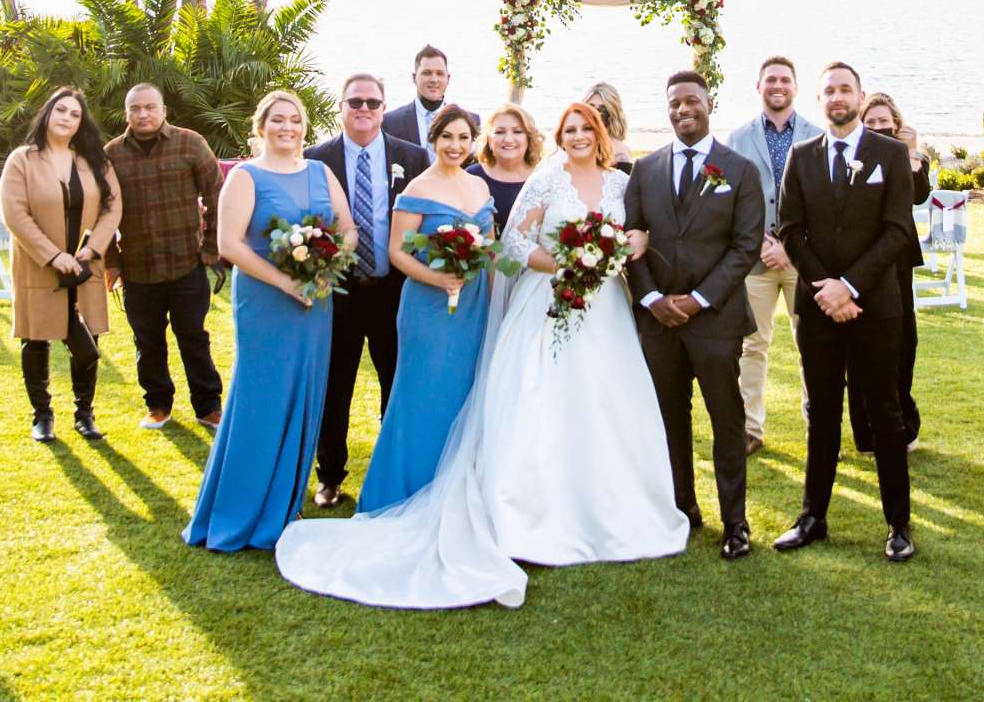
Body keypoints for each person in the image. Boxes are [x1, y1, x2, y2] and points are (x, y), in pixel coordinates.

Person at [274, 100, 686, 607]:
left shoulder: (623, 183)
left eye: (587, 128)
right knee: (539, 403)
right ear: (559, 136)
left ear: (601, 133)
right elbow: (514, 243)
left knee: (604, 405)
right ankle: (530, 514)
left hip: (605, 313)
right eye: (570, 129)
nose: (578, 136)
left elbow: (636, 235)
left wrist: (624, 248)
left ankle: (609, 508)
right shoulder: (548, 179)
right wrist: (563, 265)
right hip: (548, 301)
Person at [186, 90, 354, 553]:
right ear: (260, 127)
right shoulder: (245, 176)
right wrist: (285, 282)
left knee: (304, 396)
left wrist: (327, 269)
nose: (288, 128)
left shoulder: (320, 171)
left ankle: (285, 505)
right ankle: (243, 508)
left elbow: (348, 228)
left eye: (295, 120)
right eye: (277, 120)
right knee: (262, 398)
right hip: (266, 300)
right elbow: (230, 244)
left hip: (315, 301)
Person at [773, 61, 917, 562]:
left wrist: (851, 286)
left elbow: (898, 230)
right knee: (823, 416)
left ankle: (898, 523)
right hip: (818, 310)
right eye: (829, 91)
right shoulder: (802, 156)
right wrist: (825, 289)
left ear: (859, 95)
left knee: (885, 415)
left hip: (874, 308)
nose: (837, 97)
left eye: (845, 89)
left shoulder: (890, 155)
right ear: (820, 100)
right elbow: (790, 230)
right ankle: (812, 517)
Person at [624, 70, 767, 559]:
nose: (683, 109)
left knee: (727, 420)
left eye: (691, 101)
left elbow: (746, 246)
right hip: (658, 322)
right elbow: (632, 240)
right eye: (674, 104)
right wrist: (651, 300)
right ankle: (682, 510)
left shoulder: (740, 170)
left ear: (709, 105)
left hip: (715, 320)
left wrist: (698, 299)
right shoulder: (645, 170)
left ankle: (735, 522)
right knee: (669, 418)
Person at [357, 108, 498, 514]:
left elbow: (489, 250)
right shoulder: (418, 187)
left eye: (464, 138)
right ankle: (403, 491)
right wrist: (438, 280)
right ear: (433, 139)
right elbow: (396, 251)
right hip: (428, 308)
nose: (455, 146)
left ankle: (455, 491)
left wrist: (492, 303)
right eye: (447, 137)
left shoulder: (479, 187)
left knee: (463, 397)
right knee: (421, 397)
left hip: (472, 308)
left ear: (473, 142)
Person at [304, 73, 430, 507]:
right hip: (337, 291)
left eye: (372, 103)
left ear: (383, 106)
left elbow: (427, 220)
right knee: (334, 386)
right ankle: (330, 477)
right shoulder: (315, 160)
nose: (364, 109)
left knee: (395, 381)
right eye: (354, 101)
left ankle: (390, 471)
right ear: (341, 106)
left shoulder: (411, 158)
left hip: (394, 290)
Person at [0, 88, 122, 442]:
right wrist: (53, 255)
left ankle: (85, 414)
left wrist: (92, 249)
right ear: (47, 114)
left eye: (74, 114)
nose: (66, 118)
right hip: (39, 264)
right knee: (36, 338)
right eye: (61, 110)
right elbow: (15, 213)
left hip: (86, 265)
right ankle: (42, 415)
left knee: (88, 335)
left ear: (81, 123)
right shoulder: (22, 160)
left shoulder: (96, 162)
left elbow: (113, 207)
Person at [106, 83, 226, 432]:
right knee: (147, 343)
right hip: (138, 269)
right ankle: (158, 405)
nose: (142, 114)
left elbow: (219, 196)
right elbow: (102, 212)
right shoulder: (111, 154)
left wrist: (211, 247)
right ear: (126, 113)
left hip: (186, 265)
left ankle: (208, 406)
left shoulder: (190, 143)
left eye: (149, 107)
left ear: (163, 110)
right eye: (134, 109)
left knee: (194, 338)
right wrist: (112, 261)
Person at [722, 55, 820, 454]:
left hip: (805, 258)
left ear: (795, 87)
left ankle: (819, 420)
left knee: (813, 344)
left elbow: (824, 200)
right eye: (770, 80)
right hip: (756, 259)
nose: (777, 86)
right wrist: (764, 241)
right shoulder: (737, 138)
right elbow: (730, 200)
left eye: (784, 80)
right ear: (758, 87)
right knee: (752, 345)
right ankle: (750, 428)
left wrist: (792, 246)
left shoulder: (817, 134)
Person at [853, 90, 929, 454]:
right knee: (862, 346)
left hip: (898, 260)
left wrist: (911, 152)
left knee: (904, 342)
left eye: (886, 123)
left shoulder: (911, 157)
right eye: (872, 123)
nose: (879, 128)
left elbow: (916, 195)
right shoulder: (854, 157)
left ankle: (904, 424)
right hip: (860, 260)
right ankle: (865, 432)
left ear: (897, 125)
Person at [467, 102, 542, 233]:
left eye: (517, 131)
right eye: (500, 132)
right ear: (489, 140)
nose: (508, 139)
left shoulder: (543, 177)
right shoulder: (472, 176)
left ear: (529, 138)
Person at [382, 46, 474, 144]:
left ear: (448, 78)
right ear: (414, 78)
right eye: (427, 73)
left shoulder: (471, 121)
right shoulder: (390, 122)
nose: (434, 80)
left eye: (439, 73)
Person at [584, 81, 630, 157]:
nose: (596, 114)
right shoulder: (575, 145)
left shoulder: (620, 152)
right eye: (590, 107)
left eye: (603, 109)